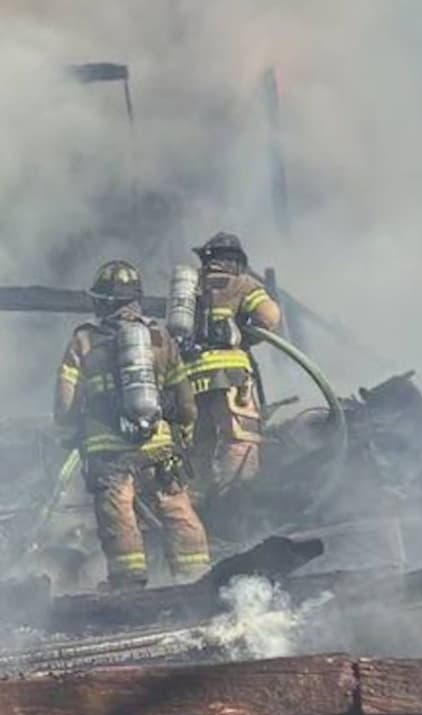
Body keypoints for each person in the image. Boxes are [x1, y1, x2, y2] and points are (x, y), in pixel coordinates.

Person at [54, 260, 210, 588]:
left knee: (118, 511)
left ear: (100, 301)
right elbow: (184, 398)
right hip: (158, 443)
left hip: (108, 448)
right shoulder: (160, 336)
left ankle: (128, 579)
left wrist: (68, 431)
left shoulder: (83, 341)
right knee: (175, 506)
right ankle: (195, 575)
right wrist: (182, 430)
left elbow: (66, 399)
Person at [182, 232, 282, 504]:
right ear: (235, 261)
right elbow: (270, 318)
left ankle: (198, 502)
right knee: (240, 438)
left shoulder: (189, 289)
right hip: (230, 378)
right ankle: (236, 503)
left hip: (190, 380)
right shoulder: (241, 284)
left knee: (199, 444)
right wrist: (247, 337)